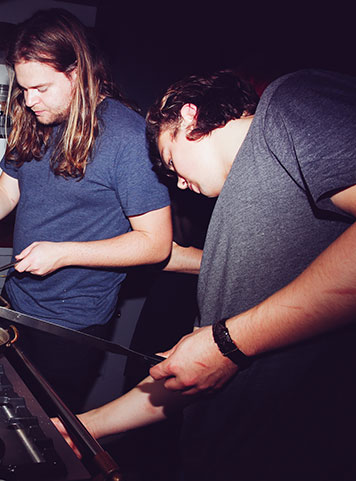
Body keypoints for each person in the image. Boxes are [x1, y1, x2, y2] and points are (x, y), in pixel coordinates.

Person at [55, 69, 356, 480]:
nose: (178, 183)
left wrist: (229, 342)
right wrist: (84, 427)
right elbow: (202, 368)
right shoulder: (237, 213)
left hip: (298, 452)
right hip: (217, 452)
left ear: (189, 117)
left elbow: (225, 345)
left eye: (171, 160)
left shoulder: (291, 101)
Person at [0, 8, 172, 412]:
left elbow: (156, 244)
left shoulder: (128, 137)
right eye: (23, 89)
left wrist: (64, 253)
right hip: (13, 304)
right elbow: (6, 192)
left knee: (49, 432)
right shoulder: (32, 121)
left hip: (72, 325)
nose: (29, 101)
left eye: (41, 88)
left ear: (78, 70)